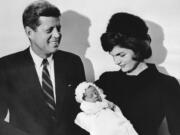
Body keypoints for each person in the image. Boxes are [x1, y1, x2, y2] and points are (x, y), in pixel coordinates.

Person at [0, 0, 87, 135]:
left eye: (58, 28)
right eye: (49, 30)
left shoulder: (73, 63)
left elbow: (83, 112)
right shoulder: (6, 66)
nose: (57, 34)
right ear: (29, 32)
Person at [95, 12, 180, 135]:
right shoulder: (106, 80)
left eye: (121, 55)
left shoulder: (166, 84)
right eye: (113, 56)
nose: (116, 61)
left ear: (138, 49)